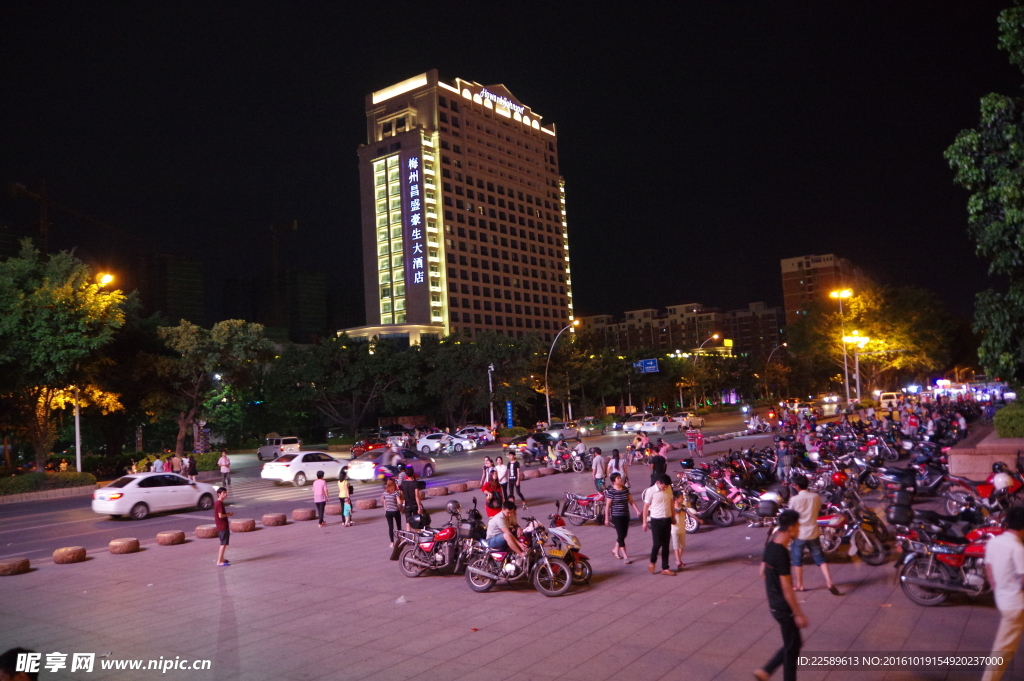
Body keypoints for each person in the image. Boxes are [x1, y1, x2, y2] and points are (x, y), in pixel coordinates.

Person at [755, 510, 808, 681]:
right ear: (791, 528)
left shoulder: (771, 545)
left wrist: (774, 579)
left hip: (773, 603)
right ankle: (768, 671)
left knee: (793, 644)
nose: (800, 530)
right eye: (798, 526)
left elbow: (762, 572)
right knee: (793, 647)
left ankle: (766, 671)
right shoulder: (782, 553)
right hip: (783, 606)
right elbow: (787, 587)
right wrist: (798, 613)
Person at [982, 505, 1024, 681]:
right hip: (1016, 606)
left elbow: (989, 569)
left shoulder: (994, 542)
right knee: (1003, 650)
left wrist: (998, 588)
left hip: (1003, 601)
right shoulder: (1018, 549)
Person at [788, 474, 839, 594]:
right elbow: (818, 510)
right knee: (820, 558)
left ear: (797, 486)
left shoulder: (794, 499)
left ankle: (800, 585)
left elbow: (791, 515)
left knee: (797, 560)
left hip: (799, 533)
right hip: (813, 532)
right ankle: (829, 582)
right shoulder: (815, 497)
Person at [642, 474, 676, 576]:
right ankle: (652, 561)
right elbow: (645, 507)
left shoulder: (669, 488)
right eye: (664, 486)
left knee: (666, 545)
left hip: (667, 519)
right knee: (657, 544)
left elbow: (671, 503)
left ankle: (665, 568)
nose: (665, 488)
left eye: (667, 486)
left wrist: (673, 517)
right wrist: (644, 522)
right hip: (656, 520)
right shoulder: (650, 491)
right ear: (658, 482)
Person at [604, 472, 641, 563]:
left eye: (620, 477)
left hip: (626, 515)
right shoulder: (611, 492)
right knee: (621, 535)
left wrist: (637, 510)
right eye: (618, 478)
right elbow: (608, 506)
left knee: (623, 534)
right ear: (614, 481)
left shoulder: (625, 489)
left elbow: (631, 501)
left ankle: (615, 550)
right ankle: (625, 556)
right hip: (616, 516)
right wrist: (606, 518)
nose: (620, 479)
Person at [671, 491, 690, 571]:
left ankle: (678, 560)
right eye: (681, 498)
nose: (683, 499)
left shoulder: (683, 507)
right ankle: (678, 561)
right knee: (676, 547)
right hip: (674, 531)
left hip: (682, 529)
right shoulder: (672, 509)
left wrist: (698, 519)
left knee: (681, 547)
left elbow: (689, 513)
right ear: (676, 499)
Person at [381, 478, 403, 546]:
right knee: (398, 526)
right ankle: (400, 540)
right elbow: (399, 502)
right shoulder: (395, 493)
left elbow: (385, 503)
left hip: (388, 512)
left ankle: (392, 543)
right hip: (396, 511)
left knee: (390, 527)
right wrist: (400, 506)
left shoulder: (385, 493)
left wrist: (386, 510)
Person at [213, 487, 232, 566]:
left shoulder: (218, 503)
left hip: (221, 526)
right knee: (223, 544)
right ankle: (219, 561)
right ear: (219, 494)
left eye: (225, 493)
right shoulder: (219, 503)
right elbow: (220, 515)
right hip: (222, 526)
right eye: (223, 493)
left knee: (224, 543)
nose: (225, 494)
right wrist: (229, 514)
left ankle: (222, 558)